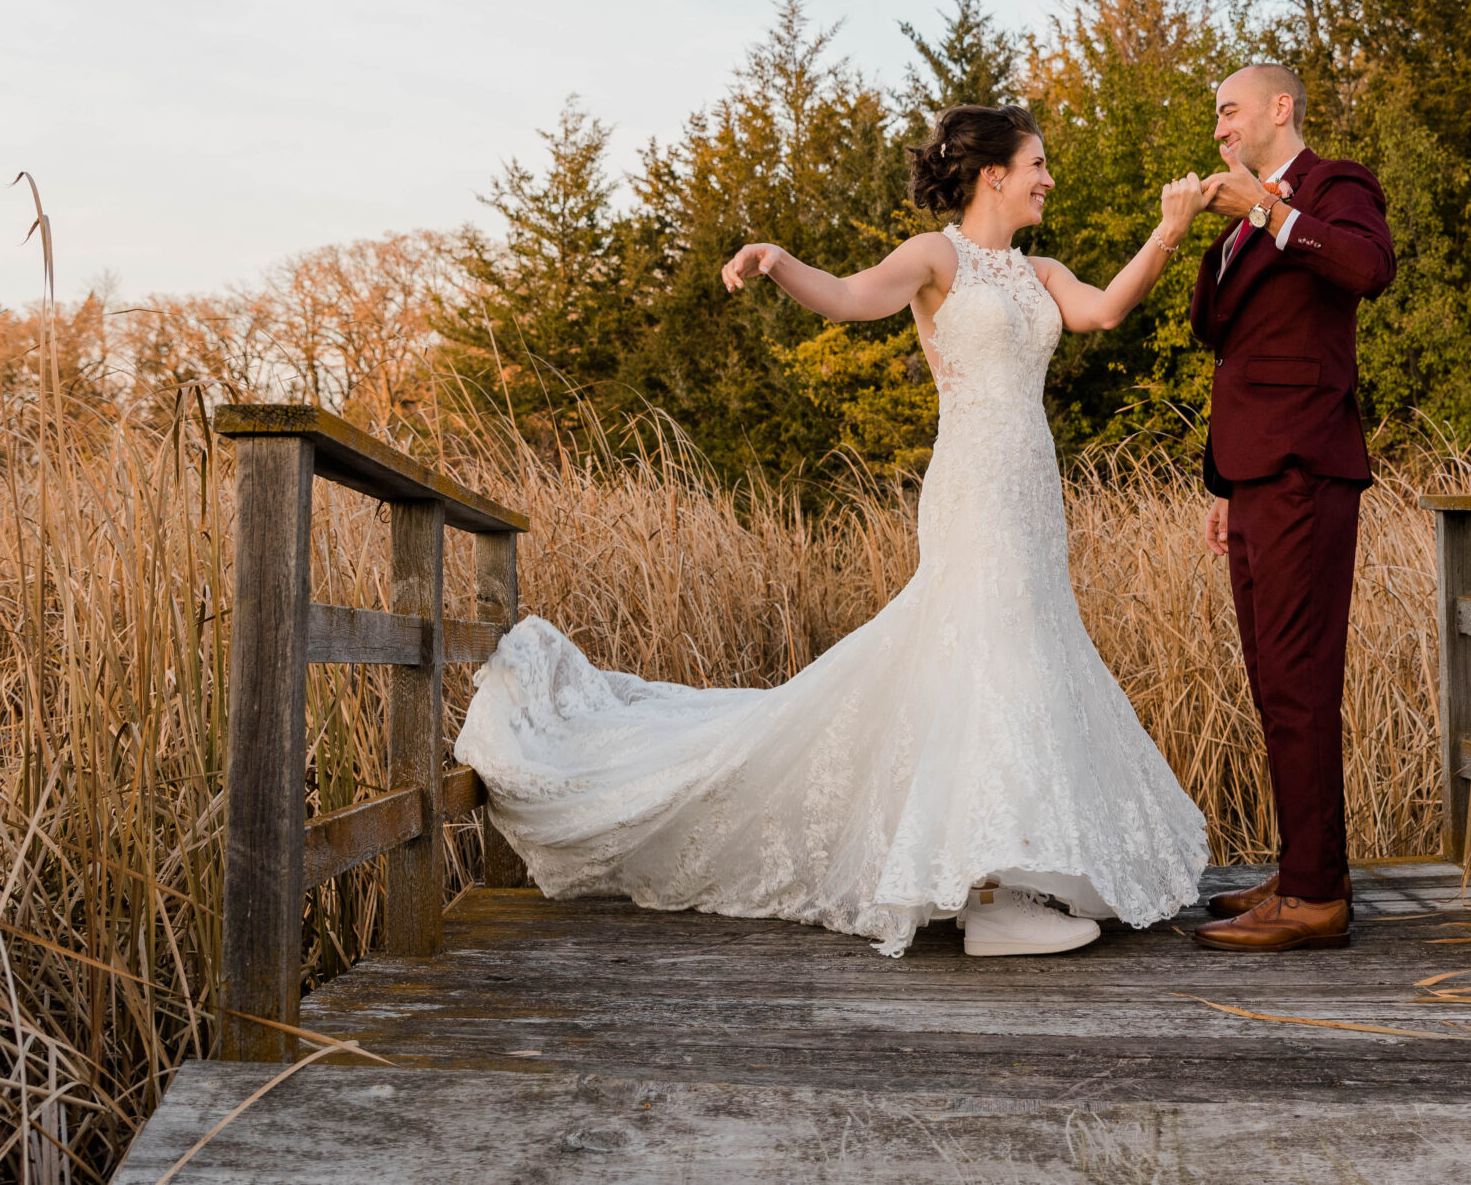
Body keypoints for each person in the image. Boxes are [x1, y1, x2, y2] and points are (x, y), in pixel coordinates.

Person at [456, 104, 1211, 957]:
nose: (1048, 178)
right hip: (972, 485)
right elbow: (853, 299)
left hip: (1033, 490)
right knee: (993, 652)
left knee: (1026, 652)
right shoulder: (937, 256)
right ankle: (993, 897)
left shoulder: (1042, 273)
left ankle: (1022, 874)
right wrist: (778, 261)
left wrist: (1167, 232)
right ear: (993, 172)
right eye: (1037, 163)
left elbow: (1106, 311)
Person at [1184, 64, 1396, 953]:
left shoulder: (1333, 186)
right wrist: (1228, 486)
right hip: (1255, 474)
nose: (1221, 127)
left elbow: (1366, 266)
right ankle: (1311, 866)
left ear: (1279, 108)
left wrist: (1268, 211)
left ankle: (1315, 899)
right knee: (1276, 679)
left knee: (1301, 678)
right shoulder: (1241, 222)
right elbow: (1221, 337)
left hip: (1308, 466)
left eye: (1231, 110)